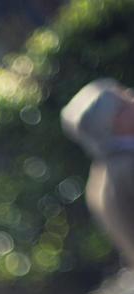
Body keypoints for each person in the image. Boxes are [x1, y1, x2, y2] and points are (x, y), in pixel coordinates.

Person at [61, 79, 134, 268]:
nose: (132, 99)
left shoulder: (103, 173)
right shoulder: (126, 167)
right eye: (125, 102)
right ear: (114, 121)